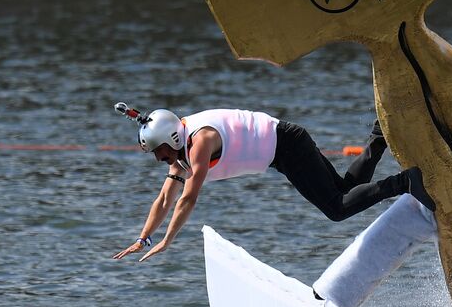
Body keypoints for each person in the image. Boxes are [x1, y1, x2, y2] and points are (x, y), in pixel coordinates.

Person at [111, 105, 433, 263]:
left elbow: (187, 199)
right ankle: (380, 137)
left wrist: (167, 240)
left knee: (337, 209)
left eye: (160, 152)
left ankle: (405, 181)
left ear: (171, 138)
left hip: (287, 146)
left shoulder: (200, 141)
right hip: (285, 147)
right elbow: (166, 197)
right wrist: (145, 238)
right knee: (345, 192)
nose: (159, 159)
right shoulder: (180, 149)